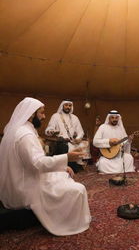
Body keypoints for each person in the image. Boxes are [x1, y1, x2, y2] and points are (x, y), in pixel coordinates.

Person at [0, 97, 91, 236]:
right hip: (24, 188)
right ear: (31, 115)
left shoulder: (19, 129)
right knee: (78, 189)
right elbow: (37, 164)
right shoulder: (25, 135)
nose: (44, 116)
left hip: (21, 178)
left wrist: (61, 167)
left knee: (64, 174)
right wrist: (67, 157)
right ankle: (68, 222)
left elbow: (33, 161)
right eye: (41, 113)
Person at [45, 99, 86, 172]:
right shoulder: (56, 116)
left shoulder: (75, 118)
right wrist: (51, 131)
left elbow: (80, 131)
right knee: (64, 146)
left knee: (84, 144)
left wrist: (78, 138)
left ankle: (76, 167)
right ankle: (65, 168)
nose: (68, 107)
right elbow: (49, 129)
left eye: (70, 105)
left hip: (73, 141)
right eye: (66, 105)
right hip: (60, 141)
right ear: (62, 106)